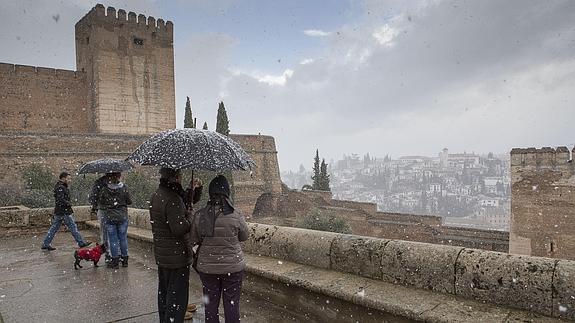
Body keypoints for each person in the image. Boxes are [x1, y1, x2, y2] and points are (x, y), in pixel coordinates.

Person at [191, 175, 249, 323]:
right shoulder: (236, 214)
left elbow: (194, 239)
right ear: (227, 192)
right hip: (233, 267)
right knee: (232, 305)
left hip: (208, 268)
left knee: (210, 306)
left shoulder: (200, 215)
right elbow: (244, 236)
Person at [150, 168, 202, 323]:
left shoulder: (157, 195)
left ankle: (166, 319)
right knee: (177, 296)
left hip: (163, 254)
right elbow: (179, 228)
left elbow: (184, 201)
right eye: (179, 176)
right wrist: (190, 216)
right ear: (175, 178)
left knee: (165, 293)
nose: (180, 178)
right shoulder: (172, 199)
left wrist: (193, 191)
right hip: (176, 256)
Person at [41, 172, 91, 251]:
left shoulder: (59, 186)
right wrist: (68, 203)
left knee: (54, 228)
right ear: (63, 178)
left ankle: (46, 243)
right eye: (68, 178)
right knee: (72, 227)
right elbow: (60, 200)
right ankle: (81, 242)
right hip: (64, 211)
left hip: (60, 211)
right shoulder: (60, 187)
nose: (70, 180)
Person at [97, 172, 132, 269]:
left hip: (110, 217)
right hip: (122, 216)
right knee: (123, 239)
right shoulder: (124, 187)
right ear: (119, 177)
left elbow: (101, 202)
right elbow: (129, 201)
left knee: (112, 240)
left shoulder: (105, 189)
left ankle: (115, 261)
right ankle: (125, 261)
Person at [89, 174, 111, 262]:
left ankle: (108, 254)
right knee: (115, 234)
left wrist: (95, 205)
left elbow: (92, 198)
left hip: (103, 210)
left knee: (105, 233)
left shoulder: (99, 182)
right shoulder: (117, 183)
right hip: (115, 211)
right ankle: (118, 254)